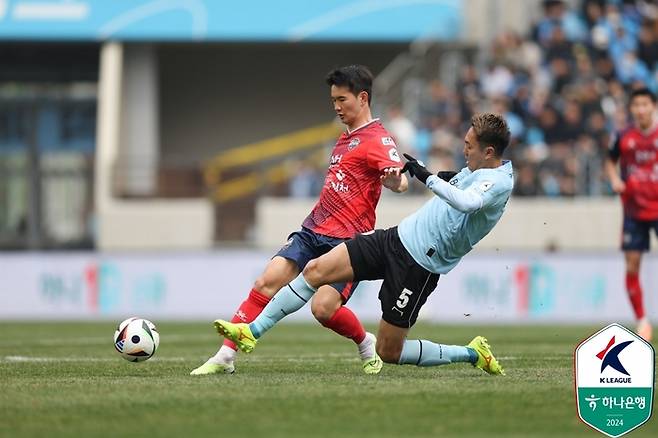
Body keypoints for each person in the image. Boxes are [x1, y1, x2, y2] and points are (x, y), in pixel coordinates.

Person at [214, 113, 513, 375]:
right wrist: (436, 175)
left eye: (468, 146)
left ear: (488, 152)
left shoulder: (499, 182)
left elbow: (467, 203)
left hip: (418, 266)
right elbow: (459, 185)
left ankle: (472, 353)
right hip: (395, 238)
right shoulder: (476, 170)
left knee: (389, 351)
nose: (463, 151)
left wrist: (427, 176)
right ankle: (251, 332)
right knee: (316, 269)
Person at [191, 65, 408, 375]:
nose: (336, 107)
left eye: (342, 100)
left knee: (322, 309)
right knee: (266, 281)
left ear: (362, 98)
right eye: (333, 100)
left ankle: (364, 341)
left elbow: (399, 181)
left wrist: (393, 182)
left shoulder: (378, 138)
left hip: (348, 242)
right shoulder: (344, 138)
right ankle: (225, 357)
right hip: (312, 230)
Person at [605, 87, 658, 342]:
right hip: (634, 210)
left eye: (645, 104)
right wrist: (615, 179)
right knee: (632, 265)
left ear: (653, 107)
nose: (640, 109)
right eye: (636, 105)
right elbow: (609, 160)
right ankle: (642, 321)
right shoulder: (623, 136)